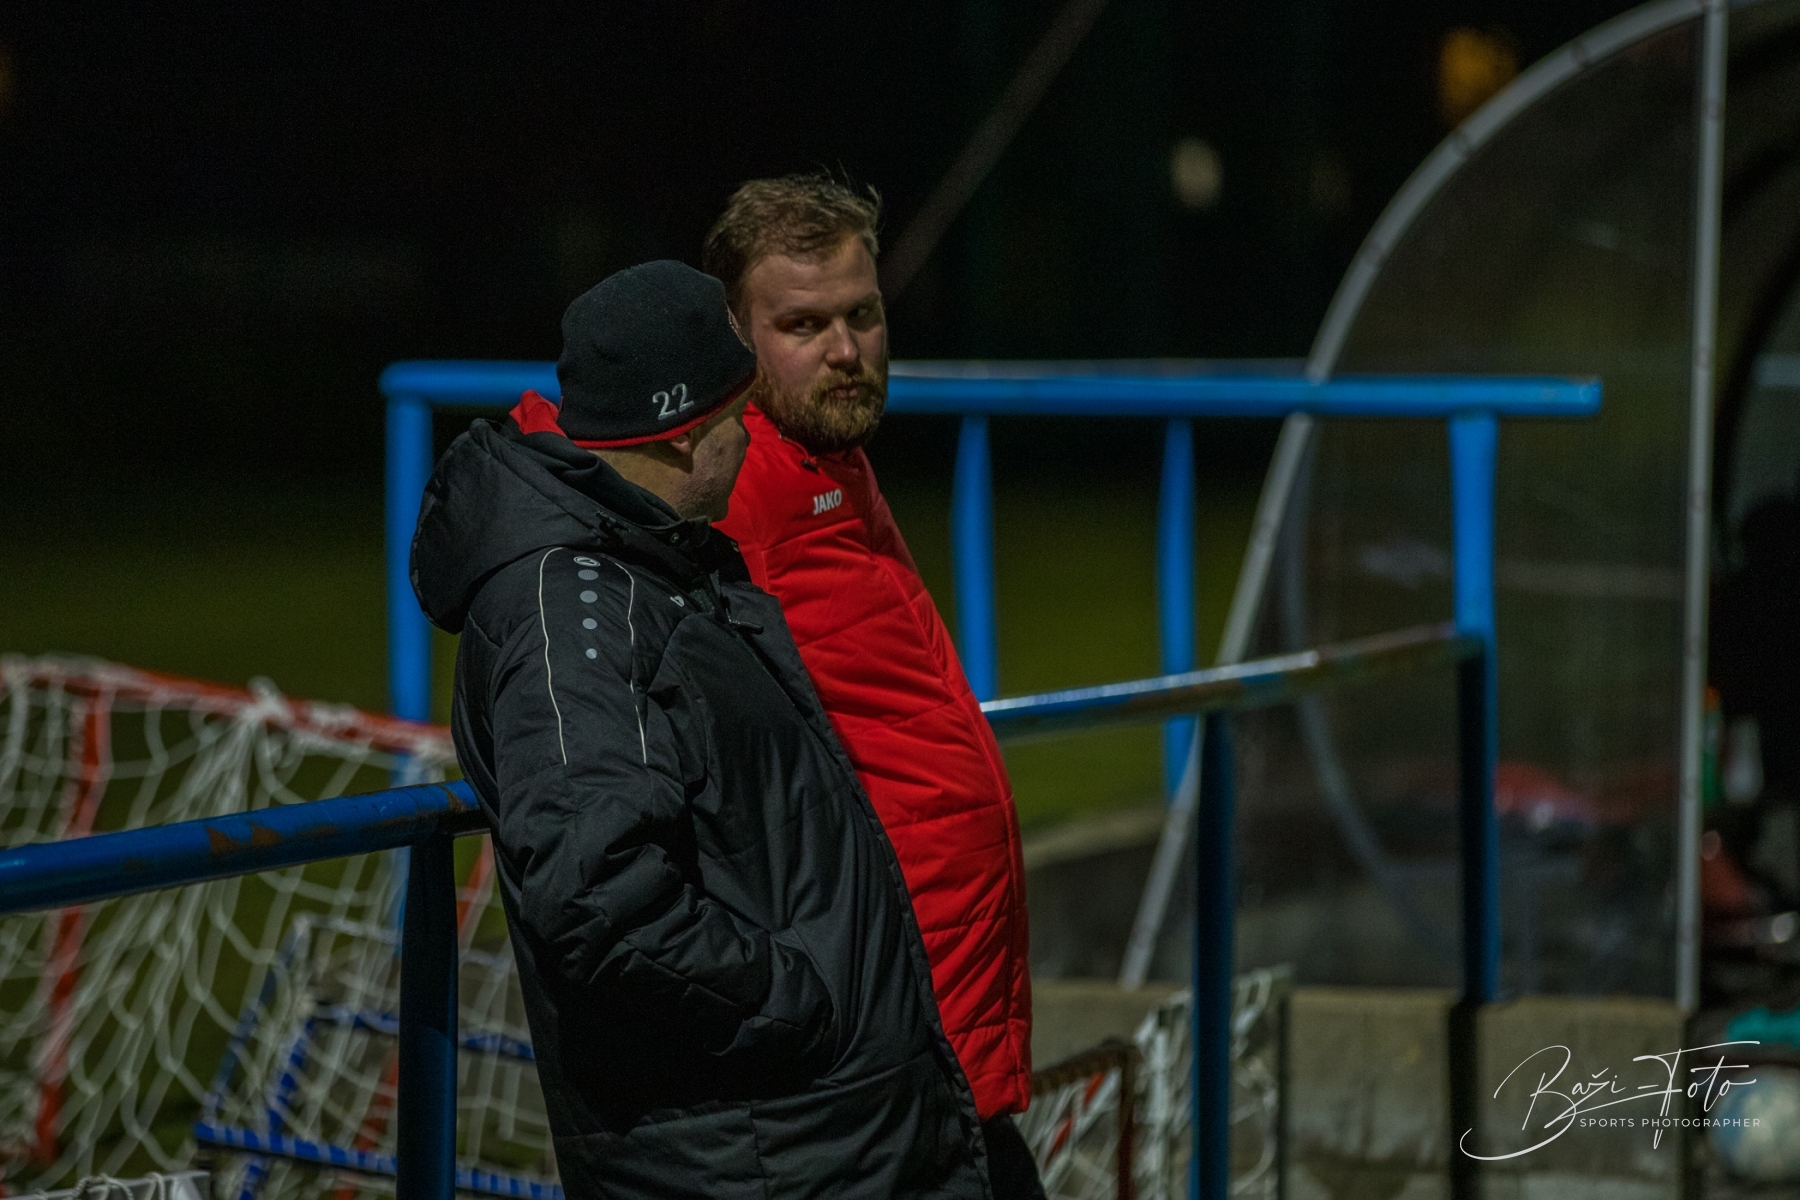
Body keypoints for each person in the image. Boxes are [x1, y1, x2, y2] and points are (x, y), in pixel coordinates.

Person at [410, 260, 990, 1200]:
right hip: (763, 1154)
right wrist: (798, 1003)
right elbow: (595, 899)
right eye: (735, 414)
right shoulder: (575, 612)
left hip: (819, 1139)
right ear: (681, 430)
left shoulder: (661, 560)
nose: (750, 436)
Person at [706, 175, 1042, 1198]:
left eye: (862, 314)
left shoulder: (828, 459)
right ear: (733, 336)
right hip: (876, 1044)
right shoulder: (736, 483)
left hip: (942, 1033)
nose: (846, 349)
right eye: (803, 325)